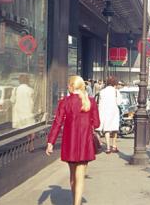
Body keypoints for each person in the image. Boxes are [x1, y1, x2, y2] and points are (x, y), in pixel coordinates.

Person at [46, 76, 100, 205]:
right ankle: (77, 203)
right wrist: (88, 121)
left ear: (70, 87)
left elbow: (57, 122)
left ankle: (74, 200)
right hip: (85, 143)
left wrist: (50, 142)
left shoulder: (64, 102)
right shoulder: (90, 101)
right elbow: (97, 123)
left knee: (72, 175)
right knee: (80, 176)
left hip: (70, 143)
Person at [95, 76, 122, 154]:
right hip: (113, 111)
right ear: (115, 83)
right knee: (114, 129)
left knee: (107, 129)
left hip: (104, 112)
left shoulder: (102, 91)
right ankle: (114, 146)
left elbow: (99, 102)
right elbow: (119, 102)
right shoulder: (116, 91)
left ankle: (107, 148)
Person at [10, 74, 35, 151]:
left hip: (19, 114)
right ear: (27, 81)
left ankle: (26, 144)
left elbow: (12, 101)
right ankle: (31, 145)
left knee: (23, 129)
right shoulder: (31, 90)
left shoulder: (15, 89)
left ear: (19, 81)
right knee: (31, 129)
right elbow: (34, 102)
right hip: (29, 113)